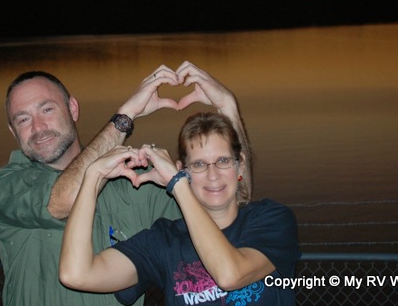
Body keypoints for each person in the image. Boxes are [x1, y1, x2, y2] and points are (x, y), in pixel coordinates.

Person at [0, 62, 252, 305]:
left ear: (72, 108)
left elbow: (231, 203)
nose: (38, 127)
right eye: (23, 119)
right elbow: (63, 201)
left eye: (47, 109)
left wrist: (228, 109)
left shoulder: (135, 179)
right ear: (12, 130)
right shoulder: (4, 185)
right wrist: (127, 114)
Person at [59, 112, 299, 305]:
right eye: (199, 164)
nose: (212, 175)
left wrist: (178, 185)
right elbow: (76, 274)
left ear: (240, 165)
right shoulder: (165, 240)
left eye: (223, 161)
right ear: (182, 169)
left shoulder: (271, 220)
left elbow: (230, 275)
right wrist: (93, 176)